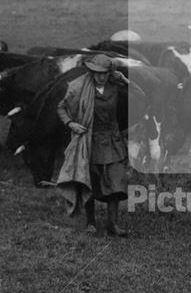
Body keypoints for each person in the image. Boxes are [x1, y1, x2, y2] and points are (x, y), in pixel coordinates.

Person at [55, 54, 134, 237]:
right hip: (89, 140)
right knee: (89, 180)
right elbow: (61, 107)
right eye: (97, 73)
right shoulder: (79, 87)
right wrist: (70, 124)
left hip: (113, 140)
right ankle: (90, 221)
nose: (100, 77)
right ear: (91, 71)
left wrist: (126, 81)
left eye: (104, 73)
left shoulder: (115, 87)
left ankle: (112, 224)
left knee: (116, 181)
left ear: (110, 73)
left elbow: (143, 96)